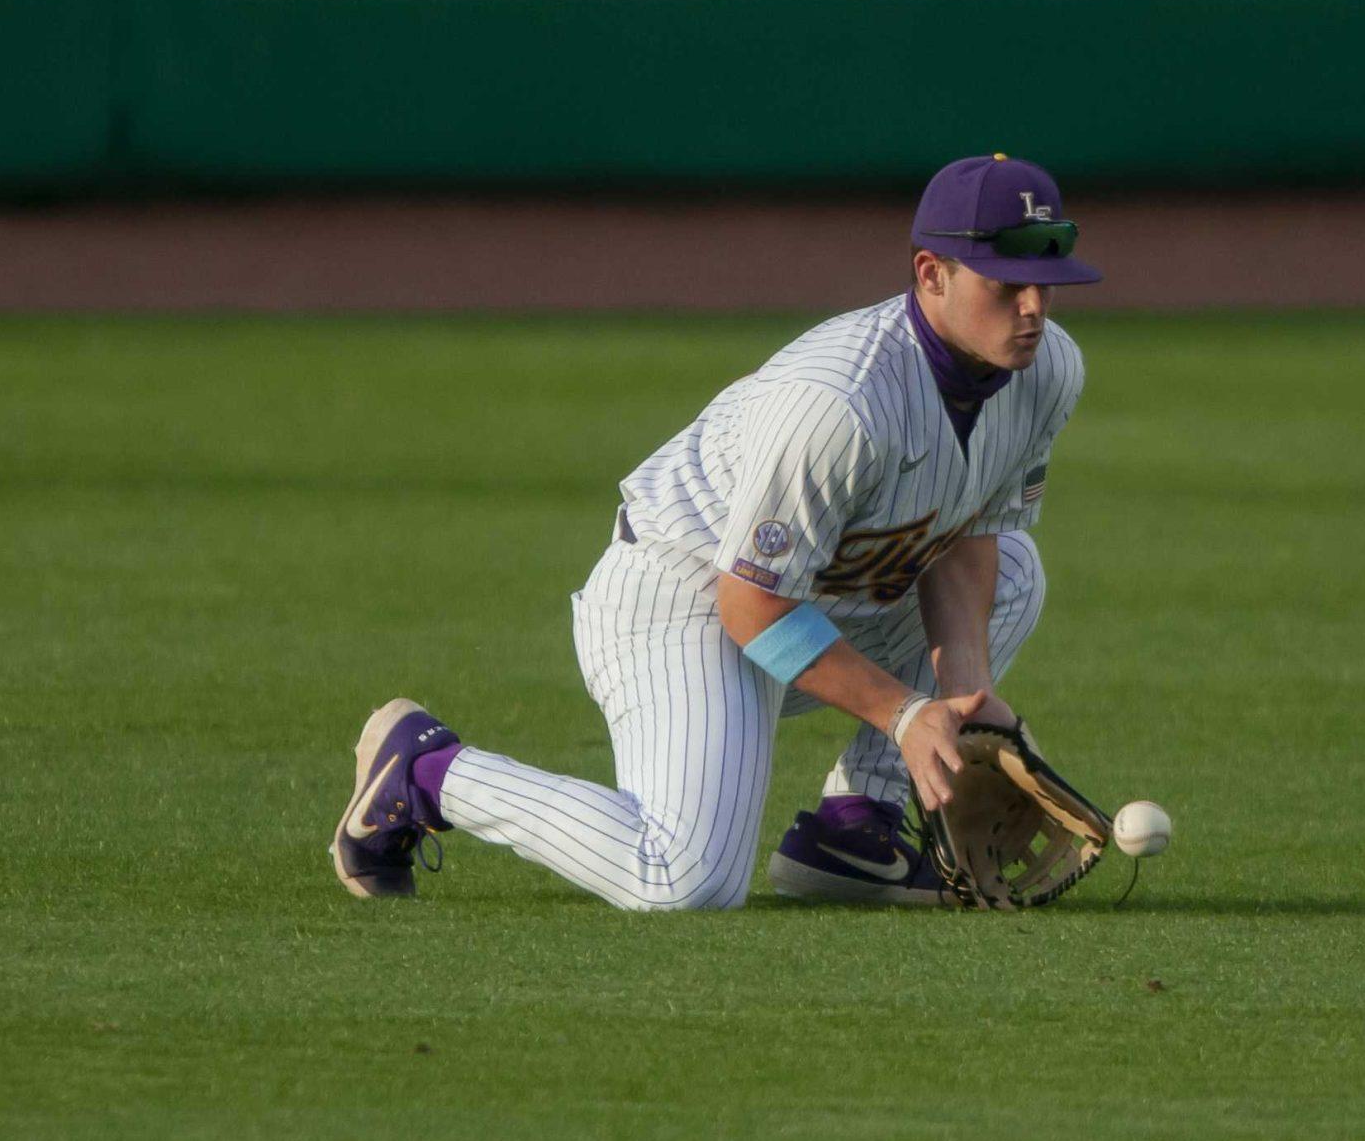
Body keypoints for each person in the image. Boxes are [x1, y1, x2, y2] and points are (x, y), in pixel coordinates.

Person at [328, 153, 1100, 911]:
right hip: (684, 595)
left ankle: (855, 830)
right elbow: (749, 606)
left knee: (1018, 569)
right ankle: (426, 770)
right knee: (685, 877)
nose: (1033, 308)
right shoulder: (840, 402)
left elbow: (966, 536)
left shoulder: (1049, 370)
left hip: (816, 591)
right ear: (931, 274)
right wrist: (903, 713)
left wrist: (966, 693)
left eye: (1047, 283)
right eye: (1006, 285)